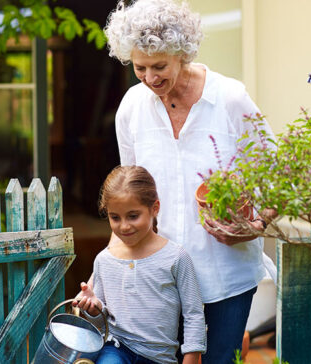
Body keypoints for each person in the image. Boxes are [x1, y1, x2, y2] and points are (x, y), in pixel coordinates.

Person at [93, 0, 280, 362]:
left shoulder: (229, 99)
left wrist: (257, 224)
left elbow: (277, 174)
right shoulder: (132, 107)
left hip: (226, 273)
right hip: (158, 279)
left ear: (183, 53)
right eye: (140, 67)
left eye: (160, 66)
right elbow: (129, 194)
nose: (150, 78)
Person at [74, 165, 206, 364]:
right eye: (115, 217)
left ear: (155, 208)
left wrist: (191, 358)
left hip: (158, 357)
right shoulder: (104, 260)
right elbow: (100, 325)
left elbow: (194, 315)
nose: (124, 226)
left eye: (133, 216)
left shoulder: (176, 257)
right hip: (116, 349)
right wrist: (94, 308)